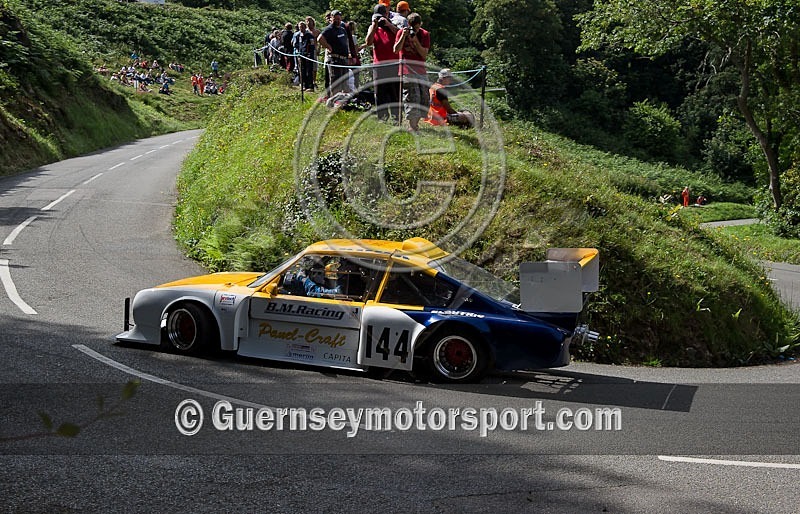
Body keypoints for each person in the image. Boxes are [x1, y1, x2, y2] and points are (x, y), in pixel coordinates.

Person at [393, 10, 430, 132]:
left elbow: (424, 54)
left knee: (424, 97)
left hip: (421, 70)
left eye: (417, 27)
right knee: (412, 97)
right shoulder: (401, 32)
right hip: (406, 70)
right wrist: (403, 36)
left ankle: (416, 124)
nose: (415, 30)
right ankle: (413, 126)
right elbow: (396, 49)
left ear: (420, 24)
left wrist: (415, 41)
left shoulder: (424, 34)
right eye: (412, 27)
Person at [366, 3, 400, 121]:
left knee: (395, 92)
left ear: (386, 15)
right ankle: (383, 117)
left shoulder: (393, 25)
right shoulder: (373, 28)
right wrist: (374, 27)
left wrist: (389, 25)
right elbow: (368, 42)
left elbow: (400, 35)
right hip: (379, 65)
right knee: (380, 93)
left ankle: (396, 117)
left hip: (394, 65)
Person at [318, 10, 351, 97]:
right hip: (334, 59)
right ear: (331, 18)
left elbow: (346, 42)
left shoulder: (342, 29)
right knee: (336, 81)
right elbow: (320, 38)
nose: (337, 21)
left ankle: (343, 101)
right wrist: (328, 46)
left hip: (344, 59)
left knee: (344, 81)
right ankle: (334, 100)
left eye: (339, 19)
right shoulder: (329, 29)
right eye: (335, 19)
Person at [293, 21, 315, 91]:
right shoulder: (298, 35)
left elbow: (312, 45)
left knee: (309, 71)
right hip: (301, 55)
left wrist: (309, 54)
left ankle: (310, 86)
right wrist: (298, 52)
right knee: (302, 70)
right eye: (300, 27)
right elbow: (296, 45)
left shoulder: (310, 35)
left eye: (302, 27)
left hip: (308, 55)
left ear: (305, 27)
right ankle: (304, 85)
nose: (301, 28)